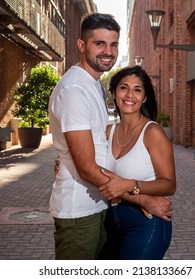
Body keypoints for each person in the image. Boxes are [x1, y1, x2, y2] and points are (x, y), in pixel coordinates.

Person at [48, 13, 172, 260]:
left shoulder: (92, 84)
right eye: (99, 43)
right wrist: (144, 199)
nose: (108, 51)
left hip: (100, 209)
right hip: (79, 212)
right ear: (82, 45)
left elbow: (90, 151)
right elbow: (86, 168)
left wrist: (65, 158)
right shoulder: (75, 90)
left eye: (113, 44)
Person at [98, 65, 176, 260]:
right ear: (114, 93)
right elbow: (89, 166)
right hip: (109, 220)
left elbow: (169, 184)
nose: (129, 95)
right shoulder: (108, 132)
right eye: (124, 88)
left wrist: (131, 184)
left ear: (145, 97)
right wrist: (63, 164)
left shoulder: (152, 133)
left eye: (137, 89)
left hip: (145, 221)